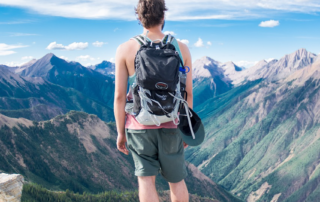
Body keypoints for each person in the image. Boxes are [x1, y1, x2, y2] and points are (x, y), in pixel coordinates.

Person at [114, 0, 193, 201]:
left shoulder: (125, 49)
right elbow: (188, 94)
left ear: (139, 18)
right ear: (163, 16)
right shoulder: (181, 48)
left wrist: (120, 132)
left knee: (146, 180)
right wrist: (186, 128)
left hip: (138, 127)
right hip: (172, 124)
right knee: (176, 180)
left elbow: (120, 97)